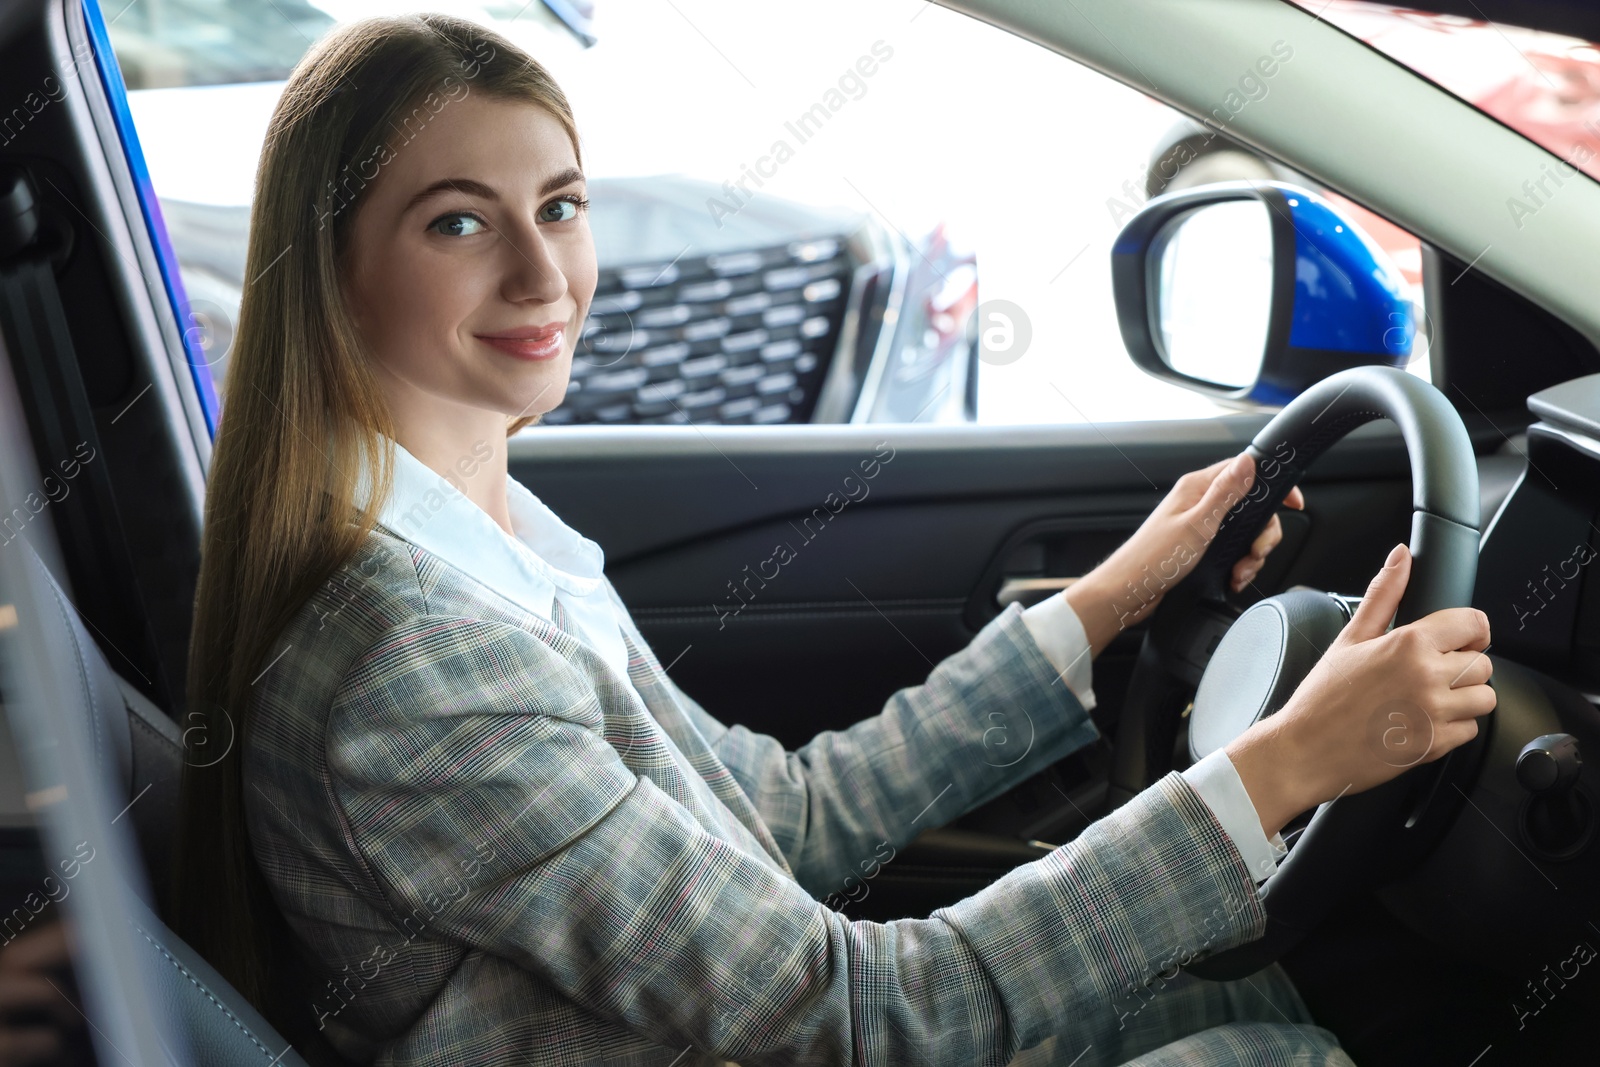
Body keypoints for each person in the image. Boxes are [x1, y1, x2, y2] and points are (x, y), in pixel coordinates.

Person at [171, 13, 1496, 1066]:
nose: (541, 274)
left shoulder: (492, 537)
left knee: (1248, 995)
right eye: (458, 221)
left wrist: (1110, 598)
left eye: (561, 206)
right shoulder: (412, 675)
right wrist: (1282, 766)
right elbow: (859, 1015)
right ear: (329, 264)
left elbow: (782, 818)